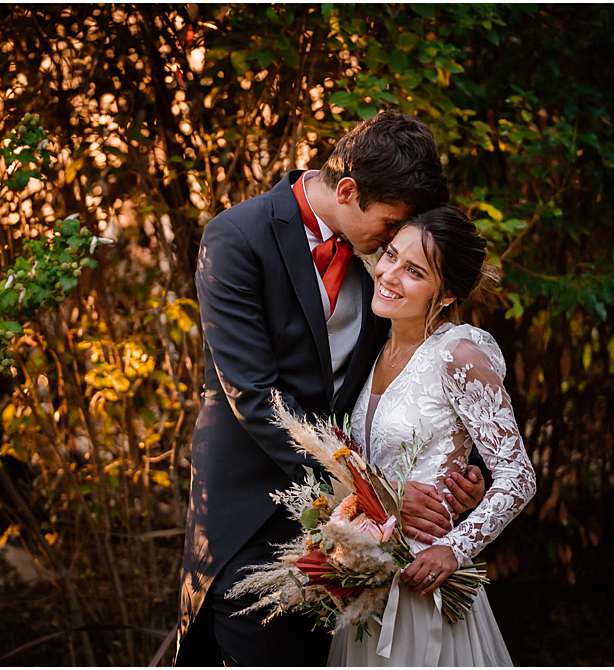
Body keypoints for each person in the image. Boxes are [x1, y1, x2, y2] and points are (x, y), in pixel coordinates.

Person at [176, 111, 485, 666]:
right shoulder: (236, 238)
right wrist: (377, 496)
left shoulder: (382, 258)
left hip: (358, 540)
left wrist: (454, 465)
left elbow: (404, 372)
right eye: (391, 226)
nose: (396, 245)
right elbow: (254, 396)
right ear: (347, 190)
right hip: (252, 518)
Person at [331, 205, 535, 666]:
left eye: (414, 272)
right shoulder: (374, 347)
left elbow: (518, 475)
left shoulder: (457, 353)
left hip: (427, 581)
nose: (389, 275)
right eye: (390, 256)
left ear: (444, 296)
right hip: (371, 580)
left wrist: (454, 549)